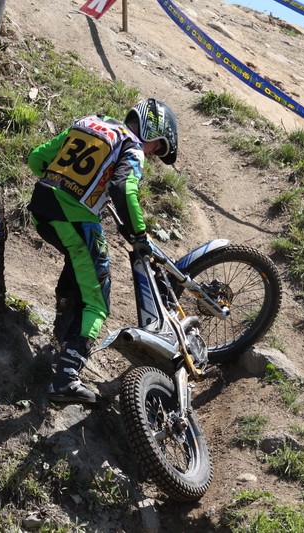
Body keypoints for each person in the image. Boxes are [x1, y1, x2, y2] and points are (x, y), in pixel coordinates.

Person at [27, 98, 179, 404]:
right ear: (152, 130)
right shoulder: (133, 146)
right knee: (97, 299)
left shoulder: (90, 122)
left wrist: (67, 182)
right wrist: (139, 234)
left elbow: (37, 158)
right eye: (158, 146)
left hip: (41, 206)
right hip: (73, 218)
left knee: (78, 264)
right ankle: (66, 378)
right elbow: (125, 188)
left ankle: (63, 328)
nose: (153, 153)